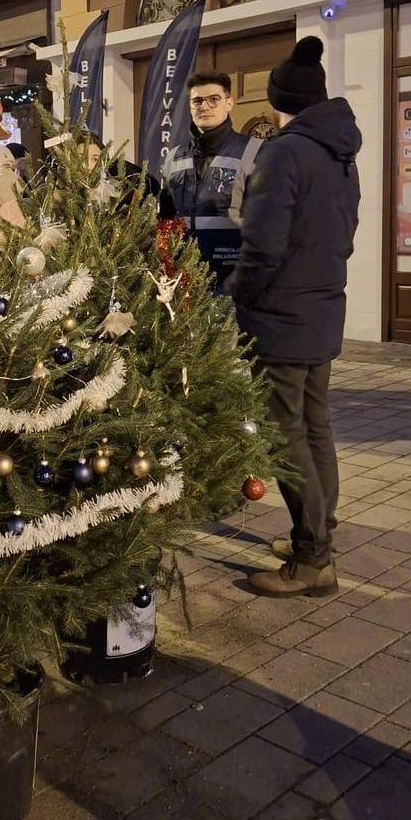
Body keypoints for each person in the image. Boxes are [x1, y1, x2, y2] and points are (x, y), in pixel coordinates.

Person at [228, 36, 362, 598]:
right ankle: (317, 533)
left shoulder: (284, 152)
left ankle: (313, 561)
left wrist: (243, 295)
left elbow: (263, 244)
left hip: (282, 315)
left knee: (287, 437)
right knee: (315, 426)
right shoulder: (340, 152)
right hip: (323, 308)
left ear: (282, 99)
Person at [160, 70, 262, 294]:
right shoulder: (174, 156)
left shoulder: (255, 151)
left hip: (234, 278)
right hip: (183, 279)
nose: (204, 106)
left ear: (229, 103)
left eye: (213, 99)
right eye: (197, 101)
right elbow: (165, 217)